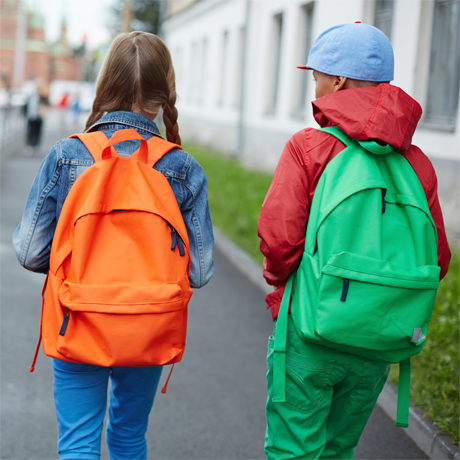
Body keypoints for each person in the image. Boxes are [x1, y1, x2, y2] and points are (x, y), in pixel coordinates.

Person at [13, 31, 214, 460]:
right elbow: (199, 270)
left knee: (79, 443)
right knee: (127, 438)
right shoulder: (182, 168)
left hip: (77, 316)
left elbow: (30, 251)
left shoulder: (67, 155)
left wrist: (81, 266)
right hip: (147, 323)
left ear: (105, 84)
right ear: (164, 93)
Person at [258, 23, 451, 459]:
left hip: (312, 331)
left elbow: (278, 240)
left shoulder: (309, 147)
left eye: (317, 77)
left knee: (294, 449)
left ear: (338, 81)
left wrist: (280, 284)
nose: (316, 86)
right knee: (337, 450)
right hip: (381, 339)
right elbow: (438, 259)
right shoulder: (416, 163)